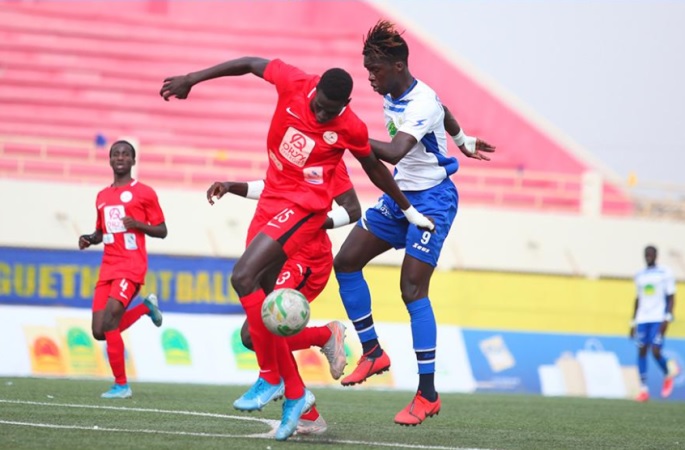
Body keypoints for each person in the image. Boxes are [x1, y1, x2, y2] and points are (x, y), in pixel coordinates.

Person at [160, 56, 433, 441]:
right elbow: (251, 63)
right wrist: (192, 76)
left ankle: (279, 377)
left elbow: (361, 195)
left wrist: (407, 208)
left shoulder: (342, 135)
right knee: (254, 333)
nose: (322, 116)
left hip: (305, 234)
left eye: (331, 112)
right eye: (319, 107)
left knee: (243, 278)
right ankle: (299, 392)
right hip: (274, 207)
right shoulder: (293, 83)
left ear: (344, 108)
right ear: (314, 89)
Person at [333, 20, 495, 426]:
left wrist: (341, 131)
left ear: (399, 66)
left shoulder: (419, 104)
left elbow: (391, 151)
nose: (369, 77)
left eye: (376, 71)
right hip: (400, 195)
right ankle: (373, 353)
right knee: (347, 261)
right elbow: (445, 108)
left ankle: (427, 395)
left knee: (411, 289)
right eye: (367, 69)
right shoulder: (403, 92)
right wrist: (462, 139)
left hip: (434, 202)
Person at [206, 160, 360, 435]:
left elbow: (352, 210)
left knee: (259, 333)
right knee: (252, 337)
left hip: (304, 260)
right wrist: (232, 187)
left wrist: (313, 220)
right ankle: (308, 411)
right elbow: (272, 188)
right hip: (278, 254)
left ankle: (323, 337)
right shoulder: (295, 146)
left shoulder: (330, 158)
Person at [78, 140, 166, 399]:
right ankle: (145, 308)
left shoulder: (144, 192)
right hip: (107, 268)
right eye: (115, 154)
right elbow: (101, 231)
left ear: (133, 161)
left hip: (131, 266)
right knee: (99, 331)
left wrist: (138, 224)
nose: (120, 157)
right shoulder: (102, 196)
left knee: (110, 321)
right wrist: (89, 238)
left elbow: (162, 230)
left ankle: (121, 385)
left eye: (125, 154)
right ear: (109, 160)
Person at [630, 245, 679, 402]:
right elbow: (638, 299)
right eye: (646, 254)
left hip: (658, 317)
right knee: (642, 350)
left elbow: (671, 296)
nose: (648, 256)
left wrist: (668, 317)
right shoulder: (640, 275)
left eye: (651, 254)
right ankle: (643, 389)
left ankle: (668, 370)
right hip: (643, 318)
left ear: (656, 255)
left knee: (656, 351)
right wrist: (633, 322)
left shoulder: (665, 272)